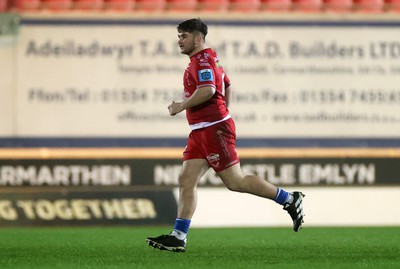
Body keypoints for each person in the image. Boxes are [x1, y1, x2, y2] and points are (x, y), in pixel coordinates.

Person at [146, 18, 305, 252]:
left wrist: (181, 106)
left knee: (235, 181)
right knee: (186, 179)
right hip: (202, 130)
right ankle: (179, 236)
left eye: (184, 36)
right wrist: (223, 110)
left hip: (213, 129)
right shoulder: (209, 58)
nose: (179, 40)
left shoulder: (201, 60)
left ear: (197, 38)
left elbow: (209, 90)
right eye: (179, 35)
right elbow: (227, 84)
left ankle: (289, 199)